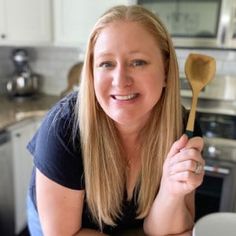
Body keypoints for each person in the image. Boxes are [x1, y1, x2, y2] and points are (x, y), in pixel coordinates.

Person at [26, 5, 205, 236]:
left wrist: (171, 191)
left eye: (137, 62)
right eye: (106, 64)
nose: (120, 81)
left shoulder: (183, 129)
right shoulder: (64, 128)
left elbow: (170, 232)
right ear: (91, 73)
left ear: (166, 71)